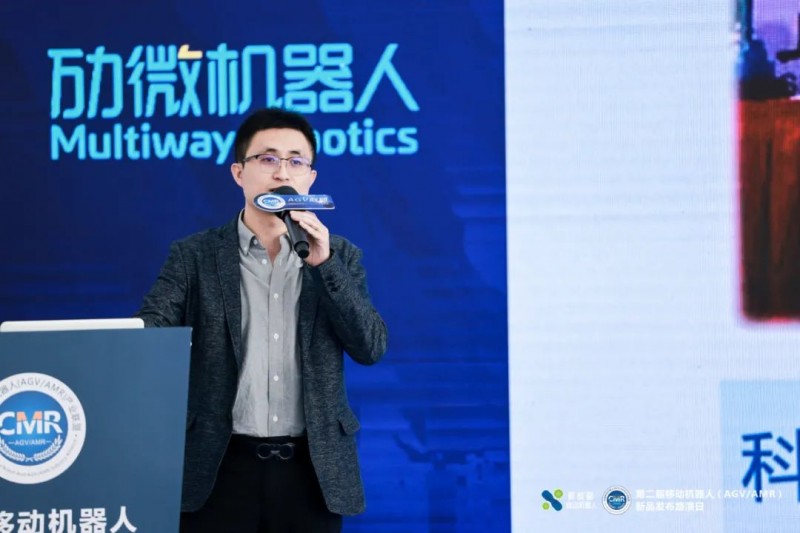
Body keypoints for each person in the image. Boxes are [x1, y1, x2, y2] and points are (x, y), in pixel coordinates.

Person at [136, 107, 388, 532]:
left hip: (311, 471)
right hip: (219, 467)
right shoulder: (194, 256)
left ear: (310, 177)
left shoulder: (339, 256)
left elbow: (370, 347)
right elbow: (151, 331)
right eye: (268, 158)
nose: (281, 172)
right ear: (239, 172)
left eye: (295, 161)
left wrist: (324, 266)